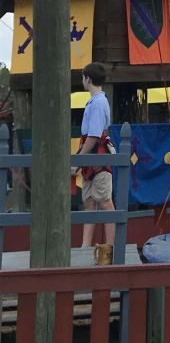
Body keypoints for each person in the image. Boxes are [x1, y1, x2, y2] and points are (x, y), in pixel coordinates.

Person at [71, 62, 115, 249]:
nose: (82, 80)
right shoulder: (94, 101)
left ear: (88, 79)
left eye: (83, 77)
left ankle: (110, 248)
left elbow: (94, 135)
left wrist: (78, 159)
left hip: (98, 153)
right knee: (89, 202)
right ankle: (85, 246)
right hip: (91, 153)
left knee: (105, 202)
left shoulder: (98, 103)